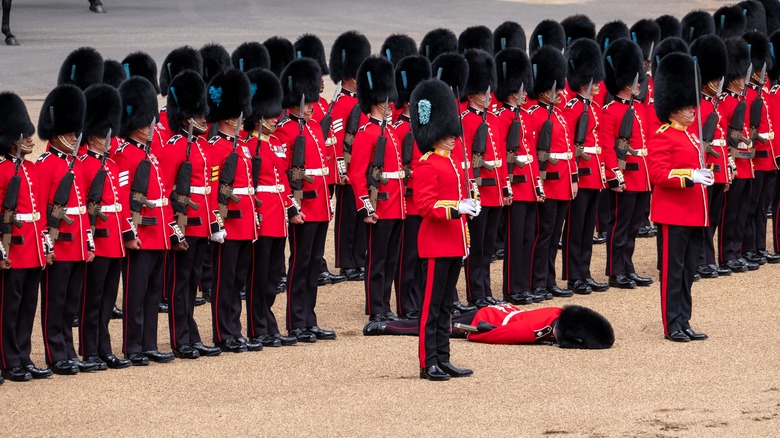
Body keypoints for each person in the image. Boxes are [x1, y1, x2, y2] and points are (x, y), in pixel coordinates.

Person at [410, 79, 477, 381]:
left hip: (454, 242)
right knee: (432, 307)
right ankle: (428, 363)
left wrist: (467, 207)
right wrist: (456, 208)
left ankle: (444, 358)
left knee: (447, 306)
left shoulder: (451, 163)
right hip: (436, 244)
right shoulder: (426, 165)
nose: (453, 137)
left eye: (453, 132)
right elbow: (425, 206)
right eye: (447, 133)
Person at [157, 69, 223, 359]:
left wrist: (213, 224)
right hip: (184, 225)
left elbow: (208, 191)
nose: (204, 121)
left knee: (193, 283)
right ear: (185, 118)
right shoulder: (174, 149)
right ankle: (179, 338)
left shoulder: (204, 148)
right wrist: (173, 228)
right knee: (180, 284)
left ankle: (191, 335)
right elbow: (167, 191)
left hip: (201, 226)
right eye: (198, 116)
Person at [647, 52, 712, 342]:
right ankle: (671, 324)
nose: (692, 112)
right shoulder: (664, 135)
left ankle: (684, 320)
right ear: (673, 110)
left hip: (694, 214)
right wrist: (689, 176)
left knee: (687, 273)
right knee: (673, 274)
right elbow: (658, 174)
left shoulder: (691, 136)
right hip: (673, 214)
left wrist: (706, 174)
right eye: (687, 108)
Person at [113, 76, 177, 365]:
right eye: (148, 123)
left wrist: (171, 231)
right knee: (136, 295)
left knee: (152, 295)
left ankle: (148, 342)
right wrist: (129, 232)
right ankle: (133, 345)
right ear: (138, 125)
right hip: (142, 234)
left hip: (159, 232)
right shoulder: (126, 156)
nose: (153, 127)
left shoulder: (149, 155)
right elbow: (125, 198)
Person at [276, 58, 337, 343]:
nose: (313, 105)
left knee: (313, 264)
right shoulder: (286, 129)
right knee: (299, 264)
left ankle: (309, 318)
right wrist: (292, 207)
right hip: (304, 207)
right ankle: (295, 321)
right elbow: (283, 174)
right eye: (308, 99)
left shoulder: (313, 127)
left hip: (321, 205)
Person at [36, 84, 96, 375]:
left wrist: (88, 241)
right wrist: (46, 246)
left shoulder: (76, 164)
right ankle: (54, 353)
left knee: (70, 303)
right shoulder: (45, 165)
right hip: (58, 245)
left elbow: (82, 208)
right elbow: (43, 213)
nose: (75, 138)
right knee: (55, 302)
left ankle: (68, 349)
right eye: (71, 134)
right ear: (58, 135)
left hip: (77, 243)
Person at [77, 84, 134, 370]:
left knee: (108, 298)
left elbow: (121, 204)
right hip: (97, 240)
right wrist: (87, 240)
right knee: (93, 297)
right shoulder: (84, 165)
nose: (110, 138)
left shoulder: (110, 164)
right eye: (105, 134)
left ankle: (103, 347)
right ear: (95, 137)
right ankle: (89, 349)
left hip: (114, 241)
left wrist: (127, 235)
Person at [242, 67, 298, 348]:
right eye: (268, 115)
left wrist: (292, 208)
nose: (275, 120)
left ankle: (268, 321)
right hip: (262, 216)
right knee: (259, 273)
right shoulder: (248, 146)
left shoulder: (276, 144)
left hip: (279, 216)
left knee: (274, 274)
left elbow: (283, 182)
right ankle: (256, 326)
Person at [204, 68, 259, 353]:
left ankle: (234, 329)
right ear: (229, 116)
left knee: (237, 280)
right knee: (224, 281)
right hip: (228, 224)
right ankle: (223, 333)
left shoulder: (243, 147)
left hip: (245, 223)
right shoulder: (215, 148)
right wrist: (215, 222)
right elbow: (213, 189)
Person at [0, 92, 53, 382]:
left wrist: (45, 246)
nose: (31, 139)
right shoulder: (2, 171)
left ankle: (23, 355)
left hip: (32, 249)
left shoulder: (34, 171)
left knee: (27, 307)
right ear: (11, 139)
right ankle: (8, 360)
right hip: (13, 250)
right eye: (25, 136)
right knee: (9, 308)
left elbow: (41, 215)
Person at [350, 56, 406, 323]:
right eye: (385, 102)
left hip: (396, 204)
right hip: (380, 205)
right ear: (375, 103)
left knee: (391, 259)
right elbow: (357, 174)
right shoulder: (365, 134)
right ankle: (376, 308)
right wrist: (366, 206)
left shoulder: (391, 131)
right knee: (377, 260)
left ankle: (385, 305)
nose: (389, 106)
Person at [600, 38, 654, 289]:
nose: (640, 84)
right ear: (624, 82)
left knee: (633, 226)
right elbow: (608, 148)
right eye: (636, 80)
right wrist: (614, 175)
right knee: (619, 225)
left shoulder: (641, 108)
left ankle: (628, 266)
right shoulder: (610, 111)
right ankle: (615, 269)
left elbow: (649, 142)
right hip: (625, 175)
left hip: (642, 174)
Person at [294, 33, 348, 287]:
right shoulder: (293, 117)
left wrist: (337, 170)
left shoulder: (323, 106)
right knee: (303, 249)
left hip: (324, 175)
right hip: (305, 185)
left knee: (314, 243)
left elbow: (331, 142)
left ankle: (320, 266)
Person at [526, 46, 578, 298]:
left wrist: (574, 179)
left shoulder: (558, 113)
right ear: (544, 89)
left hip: (564, 183)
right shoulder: (536, 115)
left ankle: (549, 280)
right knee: (544, 234)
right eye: (555, 89)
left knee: (555, 234)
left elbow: (568, 150)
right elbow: (536, 155)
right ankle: (537, 281)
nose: (559, 93)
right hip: (549, 183)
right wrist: (538, 184)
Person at [492, 47, 544, 304]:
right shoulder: (501, 117)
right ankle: (512, 288)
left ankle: (524, 286)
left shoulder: (526, 117)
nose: (525, 94)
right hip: (515, 185)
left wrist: (538, 185)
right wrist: (505, 186)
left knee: (527, 237)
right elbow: (501, 156)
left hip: (529, 186)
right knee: (514, 241)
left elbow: (532, 155)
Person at [460, 48, 510, 308]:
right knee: (477, 248)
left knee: (488, 249)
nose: (488, 96)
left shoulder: (495, 120)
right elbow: (465, 161)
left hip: (496, 192)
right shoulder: (465, 121)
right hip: (479, 193)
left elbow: (501, 156)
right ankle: (475, 292)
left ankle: (486, 290)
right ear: (472, 94)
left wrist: (506, 187)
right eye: (483, 92)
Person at [561, 38, 609, 295]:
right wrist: (574, 176)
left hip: (595, 174)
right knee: (575, 227)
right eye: (595, 82)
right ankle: (573, 275)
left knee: (588, 227)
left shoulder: (593, 107)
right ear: (585, 82)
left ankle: (585, 271)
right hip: (581, 172)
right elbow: (571, 145)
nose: (599, 86)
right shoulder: (572, 108)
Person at [366, 302, 614, 351]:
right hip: (484, 320)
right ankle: (384, 326)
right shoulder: (533, 333)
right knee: (433, 326)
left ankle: (386, 323)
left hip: (499, 312)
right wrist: (471, 333)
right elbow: (494, 335)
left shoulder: (556, 315)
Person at [328, 31, 371, 282]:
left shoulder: (359, 101)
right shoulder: (342, 103)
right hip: (349, 168)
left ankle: (359, 258)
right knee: (347, 219)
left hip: (363, 167)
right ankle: (346, 262)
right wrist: (342, 170)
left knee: (362, 214)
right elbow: (334, 139)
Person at [391, 54, 431, 319]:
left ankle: (416, 300)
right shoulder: (396, 129)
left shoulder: (422, 129)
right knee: (406, 258)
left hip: (424, 200)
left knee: (420, 256)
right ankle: (406, 304)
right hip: (407, 200)